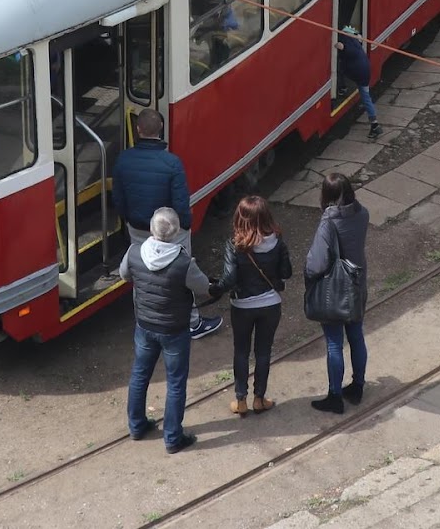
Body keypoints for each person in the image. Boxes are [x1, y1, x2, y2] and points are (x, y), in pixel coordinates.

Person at [112, 108, 222, 339]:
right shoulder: (172, 163)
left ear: (138, 130)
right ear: (160, 129)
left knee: (142, 274)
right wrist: (186, 225)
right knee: (180, 273)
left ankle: (144, 320)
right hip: (171, 229)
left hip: (138, 227)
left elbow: (119, 199)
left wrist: (128, 219)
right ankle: (192, 323)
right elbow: (180, 202)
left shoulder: (123, 160)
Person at [119, 208, 212, 454]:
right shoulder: (183, 263)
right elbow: (204, 287)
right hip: (174, 330)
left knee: (140, 375)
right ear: (176, 232)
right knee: (176, 383)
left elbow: (124, 275)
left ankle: (137, 426)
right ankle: (172, 437)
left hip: (144, 325)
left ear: (151, 228)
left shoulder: (134, 252)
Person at [214, 195, 292, 417]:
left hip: (242, 306)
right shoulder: (277, 241)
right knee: (263, 352)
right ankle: (259, 399)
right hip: (270, 305)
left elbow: (229, 279)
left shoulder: (235, 245)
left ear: (240, 218)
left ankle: (241, 401)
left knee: (241, 352)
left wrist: (214, 289)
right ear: (267, 216)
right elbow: (287, 272)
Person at [306, 171, 369, 414]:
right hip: (357, 284)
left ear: (326, 195)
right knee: (356, 336)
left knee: (334, 344)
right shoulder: (363, 214)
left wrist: (308, 273)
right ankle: (358, 386)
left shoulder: (328, 222)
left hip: (334, 291)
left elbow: (317, 263)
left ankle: (335, 397)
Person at [335, 27, 381, 139]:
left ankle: (375, 125)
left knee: (366, 98)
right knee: (366, 96)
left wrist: (336, 43)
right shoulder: (355, 41)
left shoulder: (347, 45)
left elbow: (340, 46)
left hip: (358, 73)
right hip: (365, 71)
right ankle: (374, 123)